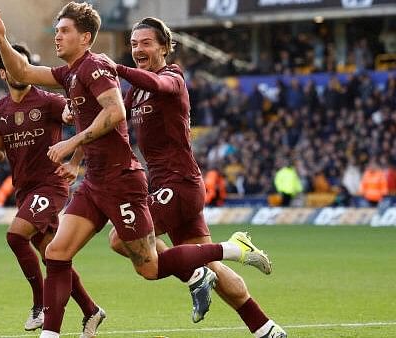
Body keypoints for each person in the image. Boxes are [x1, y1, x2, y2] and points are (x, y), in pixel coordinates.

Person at [0, 4, 271, 338]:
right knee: (57, 253)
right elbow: (26, 72)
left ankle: (232, 249)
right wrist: (3, 42)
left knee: (149, 267)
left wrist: (72, 144)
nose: (57, 36)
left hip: (124, 181)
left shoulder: (98, 67)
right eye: (56, 30)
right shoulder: (71, 73)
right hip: (96, 181)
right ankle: (52, 334)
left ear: (85, 37)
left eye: (64, 31)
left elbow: (115, 113)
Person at [107, 17, 287, 338]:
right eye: (134, 44)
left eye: (146, 43)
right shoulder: (135, 93)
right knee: (210, 269)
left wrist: (116, 69)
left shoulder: (172, 76)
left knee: (122, 238)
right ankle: (266, 329)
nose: (138, 49)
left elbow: (159, 85)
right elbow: (109, 110)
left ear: (164, 46)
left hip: (179, 183)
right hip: (170, 187)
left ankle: (228, 250)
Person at [0, 44, 102, 332]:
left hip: (50, 185)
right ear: (3, 72)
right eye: (15, 65)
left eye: (26, 63)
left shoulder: (49, 101)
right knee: (54, 256)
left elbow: (86, 122)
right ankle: (91, 310)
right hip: (24, 190)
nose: (23, 70)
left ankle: (39, 304)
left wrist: (75, 162)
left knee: (15, 236)